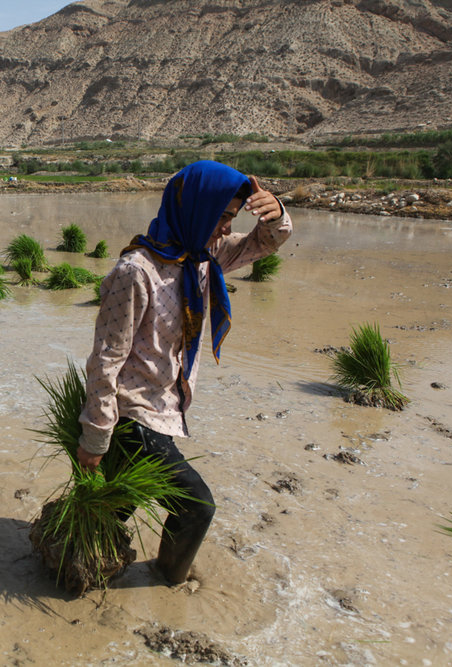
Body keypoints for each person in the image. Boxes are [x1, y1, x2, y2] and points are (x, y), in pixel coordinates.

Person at [76, 160, 293, 585]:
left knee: (119, 501)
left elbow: (265, 243)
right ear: (194, 208)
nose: (226, 229)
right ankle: (167, 582)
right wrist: (95, 438)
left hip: (165, 407)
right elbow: (106, 361)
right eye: (222, 217)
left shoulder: (201, 257)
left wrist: (275, 212)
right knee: (197, 505)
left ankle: (76, 553)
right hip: (135, 416)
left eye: (232, 218)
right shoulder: (136, 272)